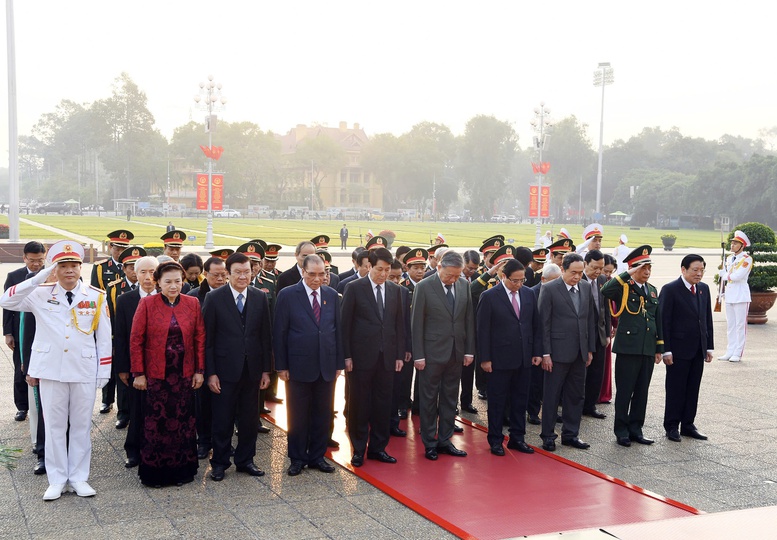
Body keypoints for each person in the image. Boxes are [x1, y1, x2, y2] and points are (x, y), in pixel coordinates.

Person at [0, 240, 112, 501]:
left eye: (74, 265)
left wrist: (103, 371)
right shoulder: (41, 293)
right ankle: (57, 479)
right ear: (55, 268)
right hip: (51, 369)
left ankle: (79, 477)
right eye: (63, 265)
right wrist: (39, 277)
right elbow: (6, 300)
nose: (69, 270)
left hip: (83, 368)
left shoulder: (95, 296)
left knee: (82, 426)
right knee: (54, 426)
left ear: (80, 267)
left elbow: (105, 337)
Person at [130, 261, 205, 487]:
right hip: (156, 375)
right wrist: (138, 373)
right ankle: (156, 473)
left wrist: (199, 370)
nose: (174, 286)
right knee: (157, 424)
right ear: (158, 283)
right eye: (168, 282)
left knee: (182, 422)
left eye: (177, 281)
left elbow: (200, 338)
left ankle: (183, 470)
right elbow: (136, 341)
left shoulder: (192, 303)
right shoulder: (147, 304)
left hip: (183, 374)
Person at [204, 253, 272, 481]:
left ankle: (245, 460)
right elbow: (208, 340)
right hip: (224, 371)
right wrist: (210, 373)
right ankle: (220, 463)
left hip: (251, 371)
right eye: (238, 272)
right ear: (228, 274)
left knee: (249, 419)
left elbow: (265, 337)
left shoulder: (259, 297)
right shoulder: (214, 298)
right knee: (222, 420)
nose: (243, 276)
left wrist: (265, 370)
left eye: (247, 272)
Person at [273, 255, 344, 476]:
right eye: (312, 274)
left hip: (326, 366)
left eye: (322, 274)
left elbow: (337, 331)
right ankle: (297, 458)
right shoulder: (287, 295)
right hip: (297, 366)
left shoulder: (332, 295)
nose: (317, 279)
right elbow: (280, 332)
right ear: (302, 271)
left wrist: (338, 363)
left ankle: (317, 456)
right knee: (298, 415)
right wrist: (281, 366)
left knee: (323, 414)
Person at [341, 247, 405, 467]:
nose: (384, 274)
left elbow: (398, 325)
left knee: (383, 405)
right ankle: (359, 448)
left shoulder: (395, 291)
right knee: (360, 404)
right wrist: (346, 356)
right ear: (369, 266)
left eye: (388, 270)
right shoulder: (354, 288)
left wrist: (398, 355)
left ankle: (378, 448)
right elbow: (345, 325)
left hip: (386, 358)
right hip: (360, 359)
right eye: (380, 269)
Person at [412, 250, 475, 461]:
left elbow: (468, 321)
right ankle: (430, 442)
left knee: (450, 398)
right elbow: (416, 324)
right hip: (431, 354)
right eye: (449, 275)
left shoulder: (464, 285)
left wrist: (468, 350)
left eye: (457, 275)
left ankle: (445, 440)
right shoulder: (423, 287)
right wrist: (418, 355)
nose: (453, 279)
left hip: (456, 352)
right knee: (429, 399)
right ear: (439, 267)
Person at [477, 258, 542, 456]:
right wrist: (485, 358)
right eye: (515, 280)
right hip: (499, 359)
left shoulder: (528, 294)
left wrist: (537, 352)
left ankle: (517, 438)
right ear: (504, 276)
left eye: (522, 280)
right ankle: (496, 439)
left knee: (520, 400)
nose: (519, 284)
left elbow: (535, 325)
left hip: (523, 357)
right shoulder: (489, 296)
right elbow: (482, 330)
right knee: (497, 401)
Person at [601, 245, 664, 448]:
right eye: (642, 268)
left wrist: (659, 347)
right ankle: (621, 431)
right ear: (632, 268)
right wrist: (626, 274)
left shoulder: (652, 291)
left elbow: (657, 320)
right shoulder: (623, 287)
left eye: (648, 269)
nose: (646, 272)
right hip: (628, 348)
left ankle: (636, 429)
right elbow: (605, 290)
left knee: (641, 391)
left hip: (647, 348)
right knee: (625, 391)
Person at [537, 252, 596, 452]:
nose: (577, 277)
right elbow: (543, 323)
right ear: (563, 269)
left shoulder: (586, 288)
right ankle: (548, 435)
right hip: (556, 352)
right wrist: (545, 353)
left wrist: (589, 349)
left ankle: (571, 434)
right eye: (573, 273)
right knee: (552, 395)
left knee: (576, 395)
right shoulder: (550, 289)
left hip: (579, 352)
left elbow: (589, 320)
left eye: (580, 273)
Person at [660, 254, 714, 442]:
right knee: (676, 388)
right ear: (683, 270)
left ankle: (688, 424)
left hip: (698, 348)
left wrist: (709, 347)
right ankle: (672, 425)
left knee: (693, 388)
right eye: (695, 270)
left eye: (702, 270)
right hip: (677, 350)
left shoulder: (703, 289)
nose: (699, 274)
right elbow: (664, 321)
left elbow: (707, 319)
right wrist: (665, 349)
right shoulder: (670, 290)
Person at [114, 255, 159, 468]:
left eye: (153, 272)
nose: (148, 277)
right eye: (143, 272)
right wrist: (123, 368)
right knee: (137, 409)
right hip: (136, 366)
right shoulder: (125, 301)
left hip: (164, 365)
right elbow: (121, 336)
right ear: (135, 274)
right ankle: (133, 450)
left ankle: (158, 448)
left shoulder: (171, 296)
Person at [187, 257, 228, 459]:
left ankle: (223, 443)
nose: (220, 279)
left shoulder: (231, 294)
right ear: (206, 274)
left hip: (225, 356)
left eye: (224, 275)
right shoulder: (194, 296)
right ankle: (203, 441)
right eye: (216, 275)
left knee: (224, 405)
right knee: (203, 403)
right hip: (202, 356)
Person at [3, 241, 46, 423]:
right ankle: (22, 407)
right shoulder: (14, 276)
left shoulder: (50, 275)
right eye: (32, 260)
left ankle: (44, 403)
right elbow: (7, 307)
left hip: (44, 329)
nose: (36, 264)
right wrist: (8, 333)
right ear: (24, 258)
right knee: (21, 369)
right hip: (20, 330)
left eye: (40, 260)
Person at [105, 246, 146, 430]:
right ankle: (123, 413)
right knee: (123, 378)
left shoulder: (153, 288)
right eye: (130, 267)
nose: (133, 271)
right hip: (122, 339)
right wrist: (112, 342)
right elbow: (110, 318)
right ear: (124, 268)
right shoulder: (114, 289)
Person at [581, 250, 612, 420]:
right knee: (581, 374)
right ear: (586, 264)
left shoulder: (602, 280)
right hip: (583, 335)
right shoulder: (578, 279)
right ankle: (576, 405)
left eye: (601, 268)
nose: (598, 272)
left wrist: (607, 333)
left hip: (599, 334)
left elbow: (605, 308)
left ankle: (590, 405)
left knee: (596, 373)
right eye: (595, 268)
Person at [719, 230, 752, 362]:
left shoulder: (746, 259)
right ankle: (730, 350)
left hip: (741, 295)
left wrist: (724, 275)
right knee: (730, 325)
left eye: (735, 243)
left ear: (742, 246)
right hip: (730, 295)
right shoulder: (728, 258)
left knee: (740, 326)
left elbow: (738, 276)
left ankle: (738, 352)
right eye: (732, 243)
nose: (732, 245)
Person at [598, 254, 618, 404]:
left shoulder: (613, 283)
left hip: (607, 325)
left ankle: (603, 393)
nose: (607, 274)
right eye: (605, 271)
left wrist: (615, 324)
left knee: (605, 362)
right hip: (596, 326)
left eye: (610, 271)